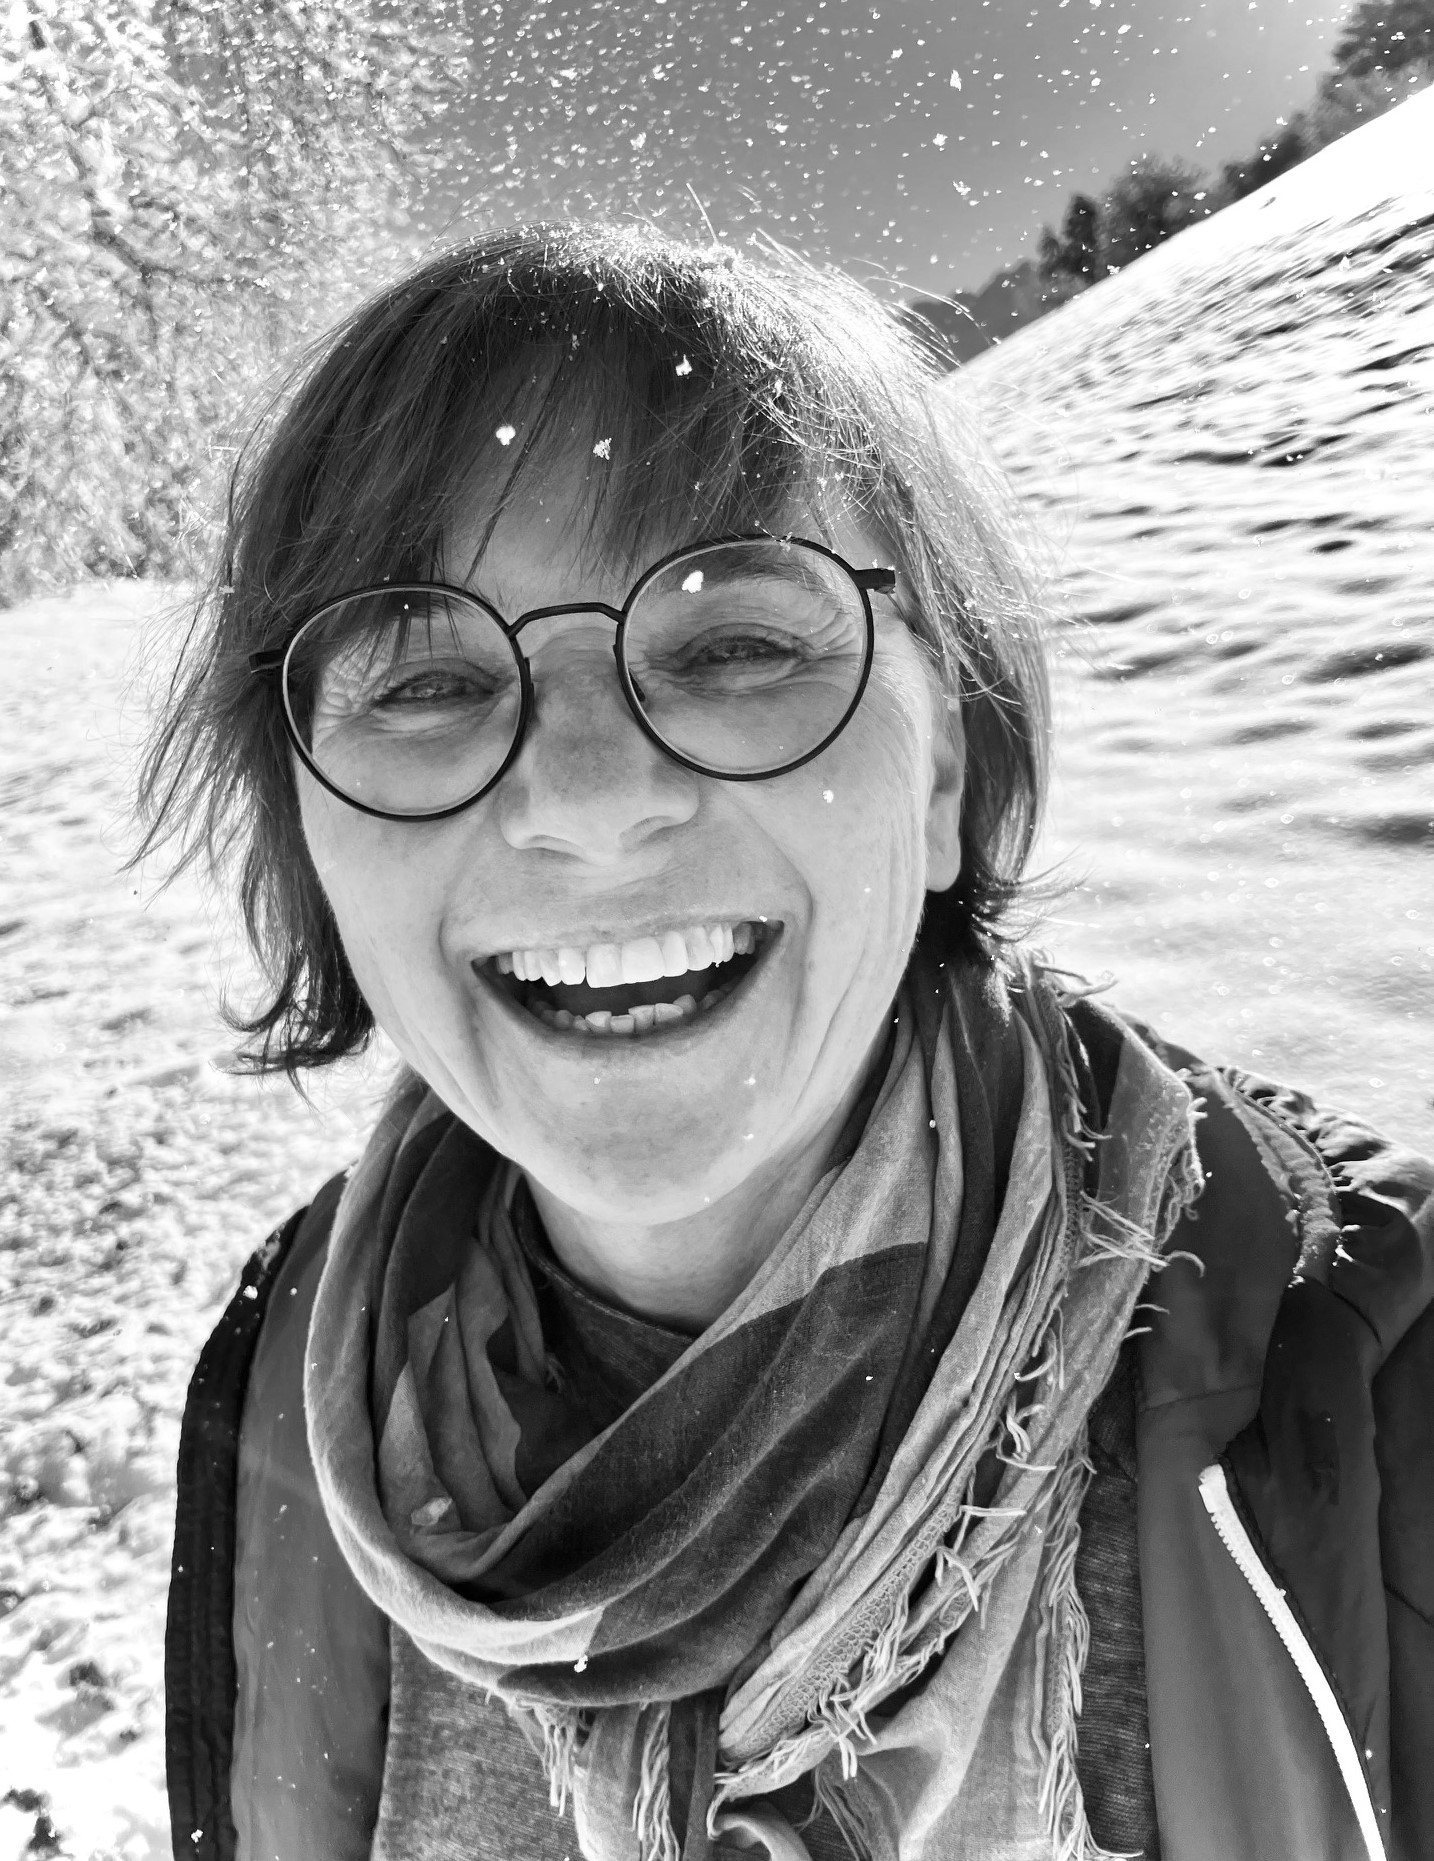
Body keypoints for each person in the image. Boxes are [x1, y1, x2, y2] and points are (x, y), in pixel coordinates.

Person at [142, 224, 1433, 1861]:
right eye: (426, 682)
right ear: (309, 829)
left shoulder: (1371, 1364)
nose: (587, 798)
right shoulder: (283, 1381)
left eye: (735, 646)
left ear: (944, 767)